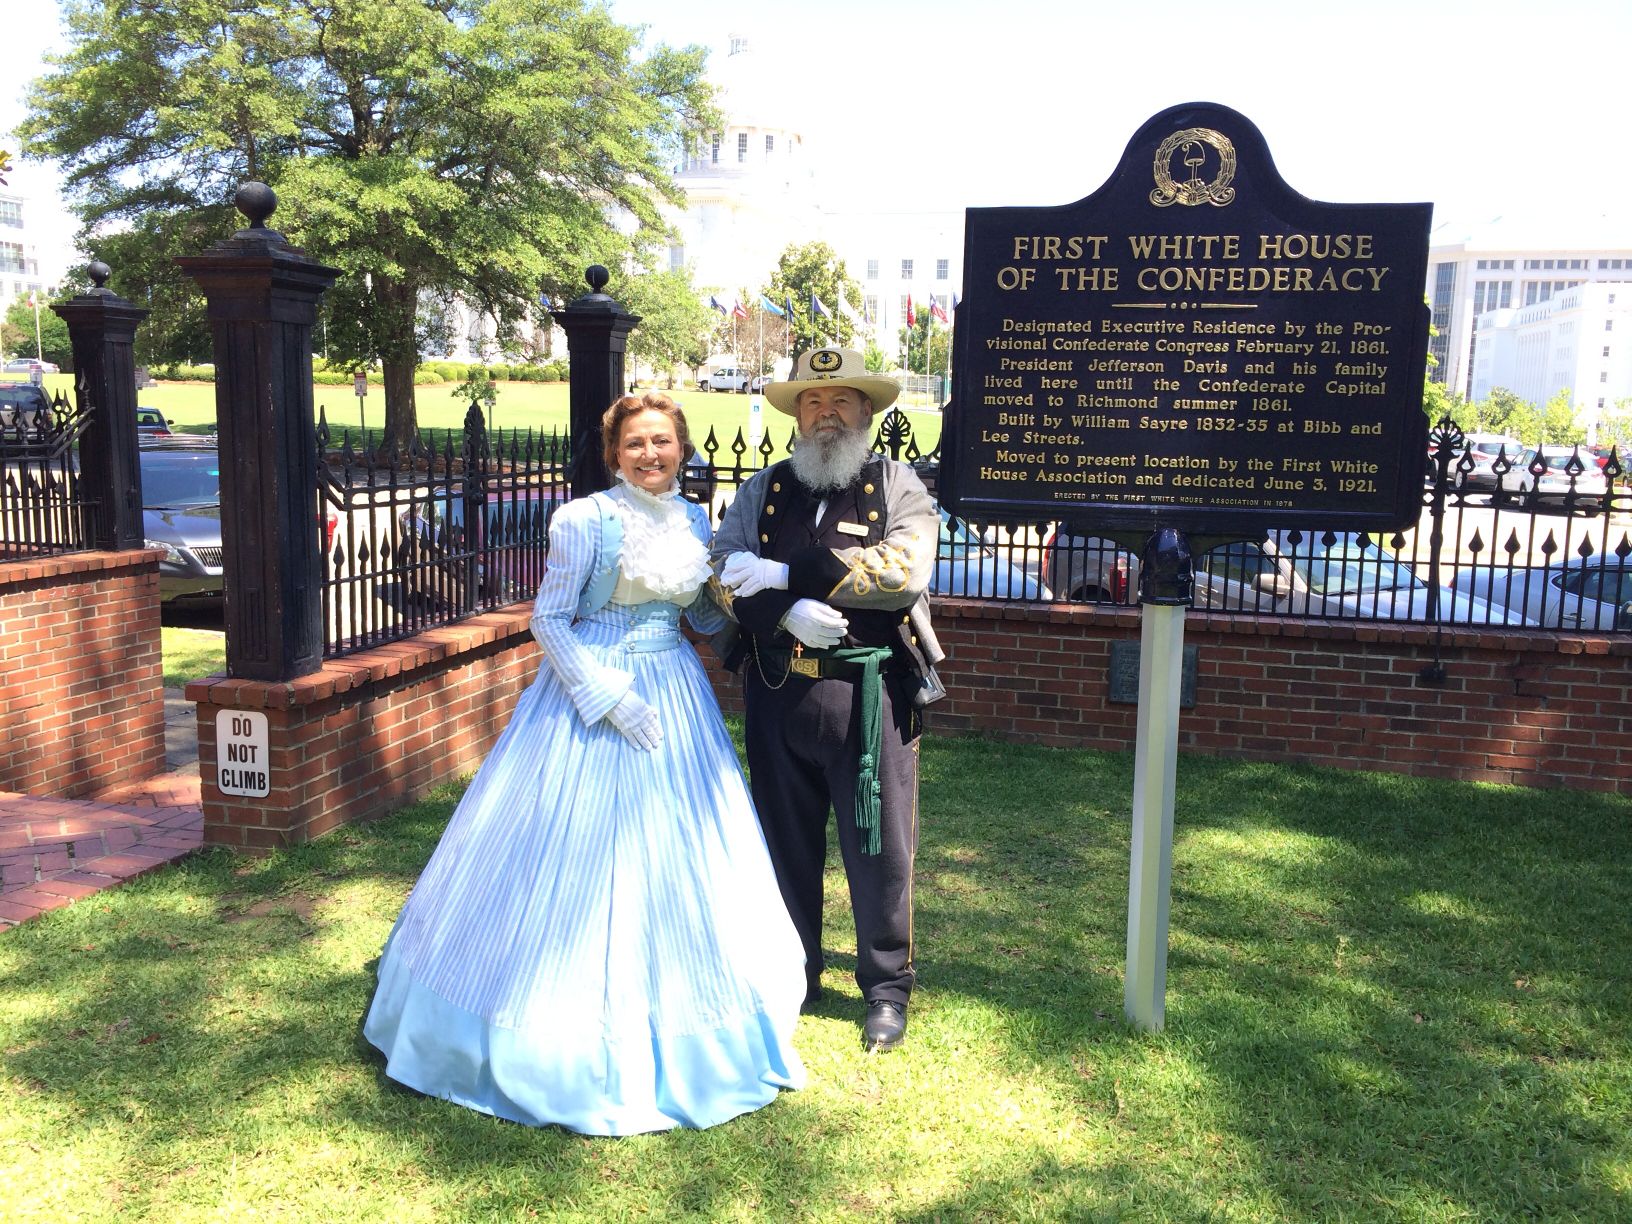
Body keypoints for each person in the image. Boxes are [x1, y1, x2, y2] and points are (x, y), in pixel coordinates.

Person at [364, 393, 806, 1134]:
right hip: (590, 691)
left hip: (675, 695)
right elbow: (548, 619)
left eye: (662, 442)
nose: (650, 455)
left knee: (681, 855)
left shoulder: (696, 519)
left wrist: (764, 606)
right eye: (635, 443)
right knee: (569, 854)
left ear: (682, 448)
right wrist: (603, 695)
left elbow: (693, 614)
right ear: (614, 452)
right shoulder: (584, 520)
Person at [713, 347, 946, 1053]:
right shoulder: (765, 489)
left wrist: (784, 574)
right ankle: (796, 971)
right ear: (796, 415)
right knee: (783, 841)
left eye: (841, 401)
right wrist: (778, 616)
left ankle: (885, 989)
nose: (826, 416)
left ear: (867, 412)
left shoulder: (898, 485)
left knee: (881, 847)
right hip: (778, 688)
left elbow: (901, 573)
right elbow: (720, 571)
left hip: (869, 693)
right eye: (812, 403)